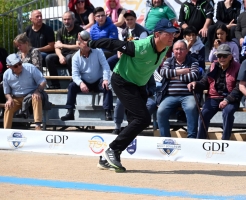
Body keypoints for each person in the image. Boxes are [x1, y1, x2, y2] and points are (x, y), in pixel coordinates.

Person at [81, 18, 179, 171]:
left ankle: (106, 159)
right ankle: (112, 149)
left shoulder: (166, 47)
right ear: (157, 34)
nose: (173, 37)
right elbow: (114, 44)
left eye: (174, 34)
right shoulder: (140, 47)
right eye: (169, 34)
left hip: (139, 85)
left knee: (136, 122)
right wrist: (92, 44)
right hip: (122, 81)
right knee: (143, 118)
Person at [187, 44, 241, 140]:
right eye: (219, 56)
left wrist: (227, 100)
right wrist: (195, 83)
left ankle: (225, 140)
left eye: (224, 56)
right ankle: (201, 140)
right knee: (204, 114)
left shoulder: (237, 67)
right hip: (213, 97)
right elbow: (204, 82)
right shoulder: (213, 66)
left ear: (230, 56)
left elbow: (238, 87)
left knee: (227, 113)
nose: (222, 58)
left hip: (230, 99)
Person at [60, 31, 113, 121]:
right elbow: (75, 75)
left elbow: (105, 66)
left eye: (88, 42)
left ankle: (108, 112)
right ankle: (70, 112)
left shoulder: (98, 51)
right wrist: (81, 83)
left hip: (98, 80)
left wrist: (105, 79)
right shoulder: (76, 57)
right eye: (84, 43)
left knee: (107, 87)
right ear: (79, 44)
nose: (87, 44)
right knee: (71, 86)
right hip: (84, 82)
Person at [156, 40, 199, 138]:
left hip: (188, 95)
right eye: (176, 49)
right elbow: (163, 73)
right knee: (161, 111)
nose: (179, 51)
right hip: (170, 95)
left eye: (181, 49)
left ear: (187, 50)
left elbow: (193, 76)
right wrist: (183, 71)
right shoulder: (168, 61)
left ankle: (192, 138)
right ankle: (165, 138)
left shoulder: (193, 61)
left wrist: (174, 75)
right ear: (173, 50)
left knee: (191, 108)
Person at [3, 53, 47, 130]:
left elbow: (42, 81)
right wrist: (9, 99)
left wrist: (37, 91)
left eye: (20, 64)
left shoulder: (30, 67)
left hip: (31, 95)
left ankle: (38, 127)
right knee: (8, 106)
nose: (19, 66)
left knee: (36, 97)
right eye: (16, 66)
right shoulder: (6, 74)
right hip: (16, 98)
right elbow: (7, 92)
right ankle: (6, 131)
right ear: (9, 67)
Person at [45, 11, 83, 89]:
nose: (66, 21)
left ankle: (74, 83)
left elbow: (78, 47)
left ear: (73, 19)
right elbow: (57, 47)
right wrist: (60, 56)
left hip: (77, 54)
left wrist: (62, 45)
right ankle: (55, 84)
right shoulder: (60, 31)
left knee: (69, 57)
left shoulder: (79, 30)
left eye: (68, 19)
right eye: (64, 19)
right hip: (64, 54)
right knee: (49, 58)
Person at [0, 48, 8, 118]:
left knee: (2, 87)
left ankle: (3, 111)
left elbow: (7, 67)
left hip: (2, 79)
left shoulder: (2, 52)